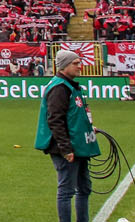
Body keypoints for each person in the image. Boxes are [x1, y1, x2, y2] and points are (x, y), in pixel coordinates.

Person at [36, 50, 100, 222]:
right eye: (76, 63)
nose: (80, 66)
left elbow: (73, 115)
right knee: (66, 191)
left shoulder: (69, 86)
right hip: (65, 148)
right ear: (64, 65)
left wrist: (88, 128)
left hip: (77, 144)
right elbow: (55, 120)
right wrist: (65, 149)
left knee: (84, 188)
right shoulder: (59, 88)